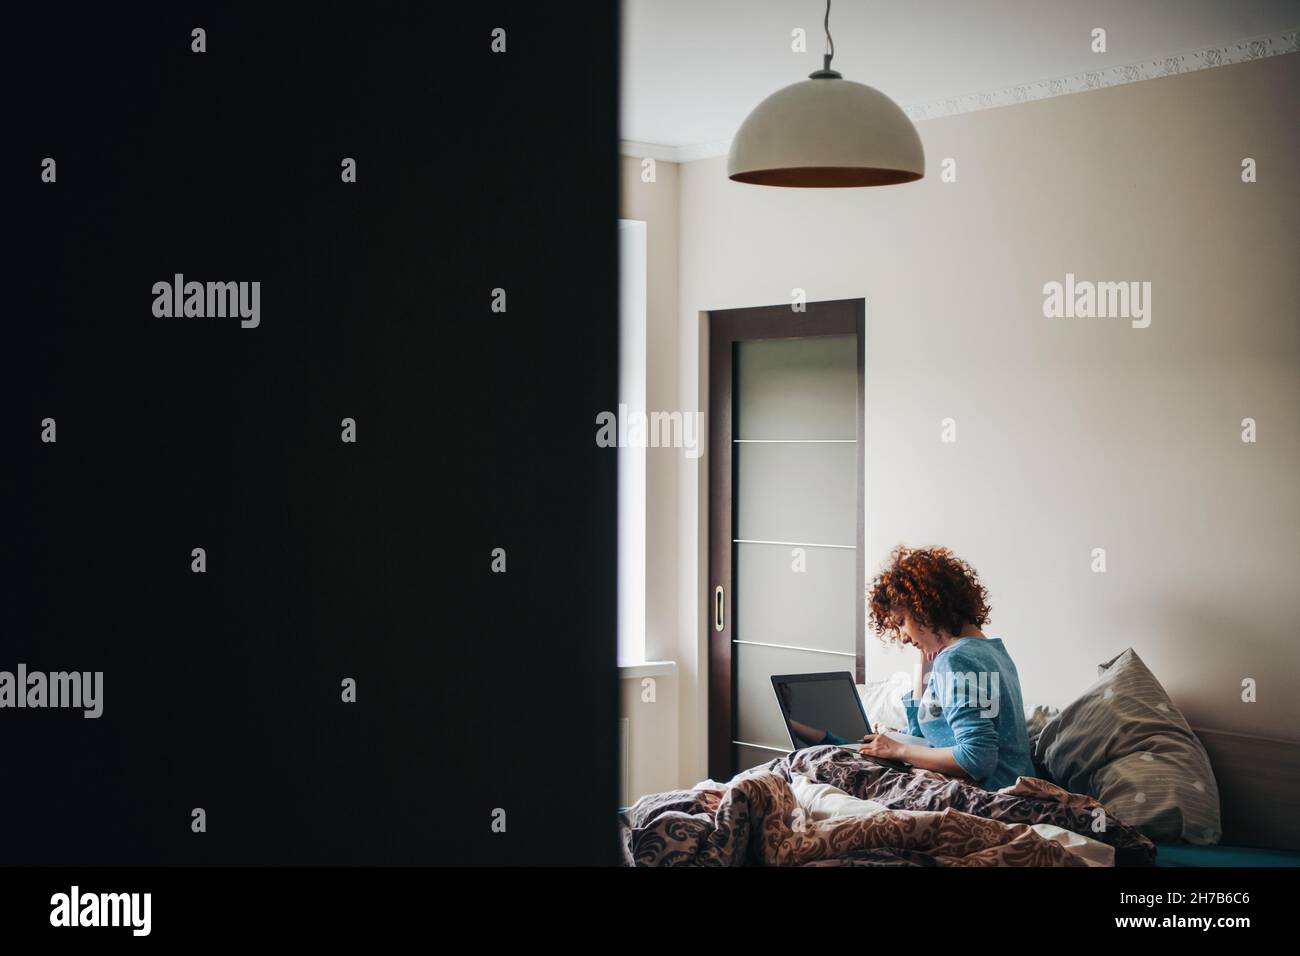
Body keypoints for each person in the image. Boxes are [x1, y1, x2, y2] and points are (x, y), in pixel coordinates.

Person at [856, 545, 1036, 790]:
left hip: (991, 792)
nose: (902, 638)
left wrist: (899, 751)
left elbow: (977, 758)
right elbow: (922, 727)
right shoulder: (992, 652)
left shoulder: (955, 661)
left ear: (926, 608)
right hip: (1012, 783)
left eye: (901, 623)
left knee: (824, 762)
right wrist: (925, 651)